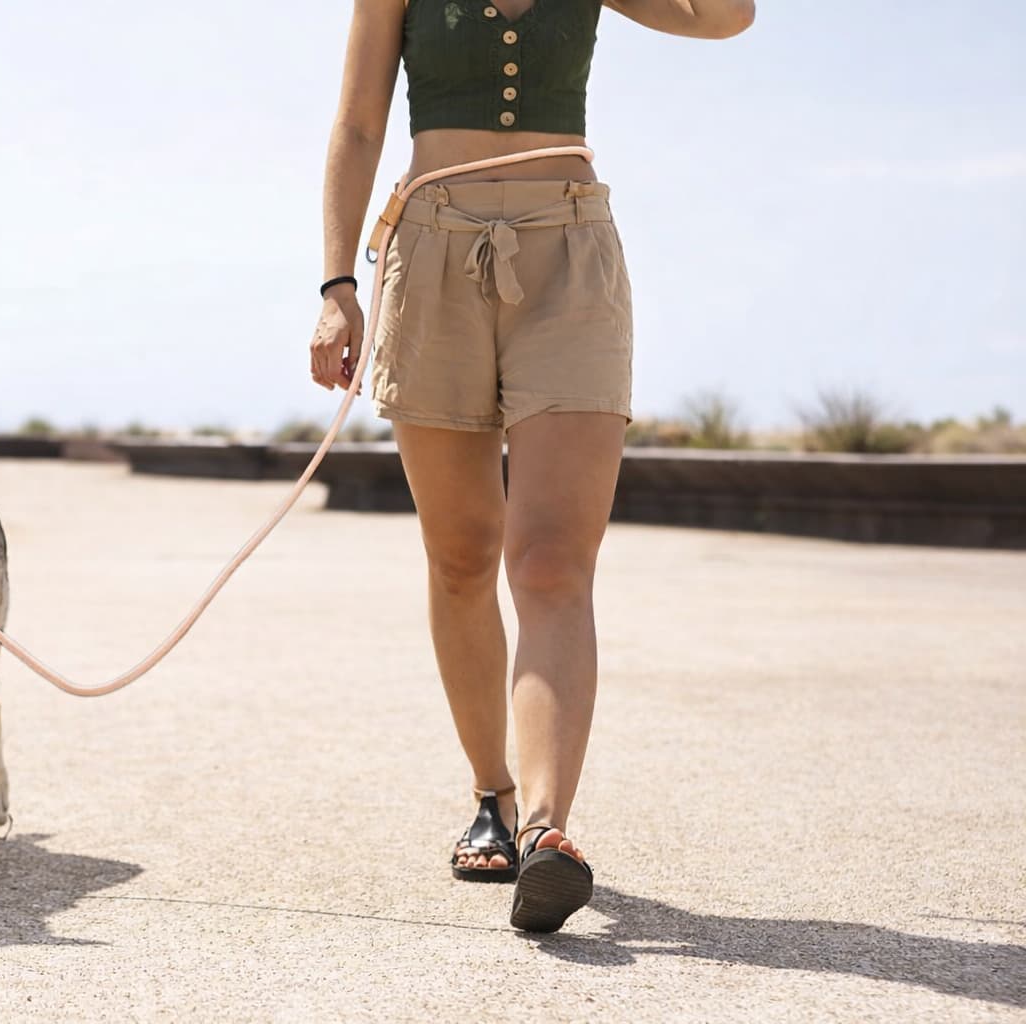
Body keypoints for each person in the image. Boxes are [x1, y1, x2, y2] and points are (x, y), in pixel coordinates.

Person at [312, 0, 755, 931]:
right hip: (429, 251)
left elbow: (726, 17)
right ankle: (493, 797)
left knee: (553, 561)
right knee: (462, 557)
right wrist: (336, 288)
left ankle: (551, 835)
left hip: (570, 252)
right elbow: (357, 123)